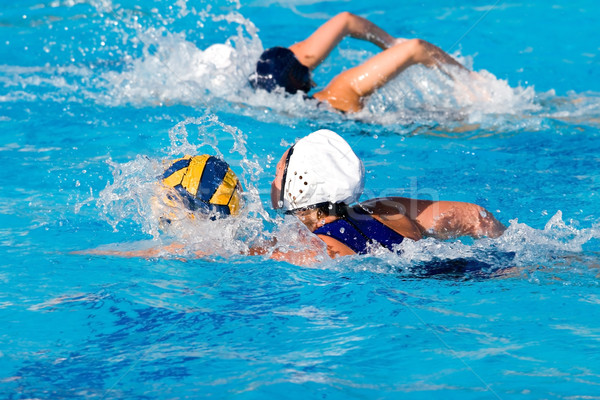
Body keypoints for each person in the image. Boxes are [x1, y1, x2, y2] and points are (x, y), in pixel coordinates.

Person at [270, 129, 506, 258]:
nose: (274, 179)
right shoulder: (389, 210)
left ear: (297, 185)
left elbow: (237, 255)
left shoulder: (310, 246)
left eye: (279, 171)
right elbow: (477, 217)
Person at [250, 11, 468, 113]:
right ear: (298, 78)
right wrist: (472, 82)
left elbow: (345, 21)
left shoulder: (260, 99)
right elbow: (416, 48)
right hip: (436, 125)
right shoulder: (339, 92)